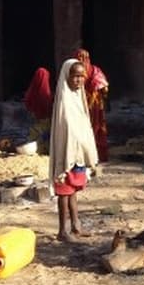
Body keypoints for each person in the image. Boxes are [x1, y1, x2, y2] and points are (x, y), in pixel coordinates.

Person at [49, 59, 99, 243]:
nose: (78, 80)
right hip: (67, 154)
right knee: (64, 191)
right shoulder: (64, 100)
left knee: (73, 191)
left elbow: (83, 125)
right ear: (66, 76)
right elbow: (67, 129)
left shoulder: (79, 96)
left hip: (78, 155)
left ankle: (76, 225)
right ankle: (63, 230)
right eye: (75, 76)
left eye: (81, 76)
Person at [74, 48, 110, 162]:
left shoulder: (75, 72)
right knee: (96, 129)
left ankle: (85, 156)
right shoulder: (95, 70)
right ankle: (97, 155)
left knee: (84, 129)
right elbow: (105, 88)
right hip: (94, 107)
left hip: (84, 106)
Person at [24, 68, 53, 154]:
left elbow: (27, 104)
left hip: (33, 122)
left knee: (34, 139)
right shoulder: (47, 94)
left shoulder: (30, 92)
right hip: (46, 122)